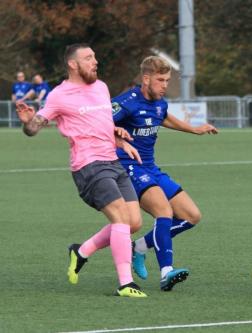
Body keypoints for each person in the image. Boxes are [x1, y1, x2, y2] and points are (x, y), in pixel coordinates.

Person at [16, 43, 147, 298]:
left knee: (134, 223)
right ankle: (125, 283)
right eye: (88, 58)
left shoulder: (101, 87)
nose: (95, 61)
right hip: (88, 166)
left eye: (94, 57)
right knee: (120, 217)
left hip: (113, 161)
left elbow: (103, 123)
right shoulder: (59, 95)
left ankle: (81, 251)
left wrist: (118, 137)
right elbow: (34, 128)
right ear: (73, 65)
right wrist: (27, 122)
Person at [112, 56, 218, 291]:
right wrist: (116, 133)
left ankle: (139, 247)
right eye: (160, 80)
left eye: (167, 80)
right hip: (129, 168)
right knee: (164, 211)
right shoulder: (128, 101)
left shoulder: (160, 102)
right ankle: (166, 272)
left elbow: (164, 117)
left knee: (192, 216)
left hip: (151, 168)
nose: (165, 85)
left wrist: (195, 129)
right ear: (146, 78)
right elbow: (98, 122)